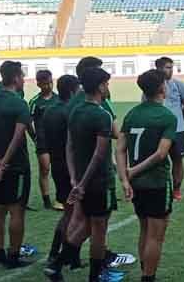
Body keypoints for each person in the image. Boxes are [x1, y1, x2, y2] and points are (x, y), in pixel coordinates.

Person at [46, 67, 119, 282]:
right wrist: (83, 183)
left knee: (86, 225)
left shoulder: (75, 111)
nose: (107, 87)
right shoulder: (102, 115)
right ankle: (95, 276)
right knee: (99, 230)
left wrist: (74, 179)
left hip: (80, 179)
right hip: (99, 182)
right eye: (106, 83)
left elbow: (69, 147)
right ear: (100, 86)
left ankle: (57, 265)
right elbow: (99, 154)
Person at [117, 69, 177, 282]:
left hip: (137, 184)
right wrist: (133, 171)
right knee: (155, 236)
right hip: (157, 182)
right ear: (161, 88)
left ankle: (145, 271)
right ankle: (148, 277)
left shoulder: (132, 114)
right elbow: (161, 154)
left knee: (144, 228)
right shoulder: (167, 116)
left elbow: (120, 148)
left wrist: (125, 178)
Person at [0, 61, 32, 268]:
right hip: (15, 166)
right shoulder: (19, 103)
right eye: (22, 76)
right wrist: (4, 162)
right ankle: (13, 256)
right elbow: (18, 136)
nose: (23, 79)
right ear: (15, 78)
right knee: (17, 210)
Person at [42, 75, 80, 266]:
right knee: (76, 214)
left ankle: (56, 253)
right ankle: (65, 256)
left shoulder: (50, 110)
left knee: (68, 212)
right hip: (71, 167)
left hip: (57, 164)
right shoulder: (71, 111)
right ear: (73, 91)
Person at [152, 57, 184, 201]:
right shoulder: (151, 87)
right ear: (159, 68)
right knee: (156, 159)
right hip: (158, 130)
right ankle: (158, 187)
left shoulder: (178, 85)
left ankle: (176, 189)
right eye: (167, 67)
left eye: (171, 67)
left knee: (178, 159)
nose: (171, 70)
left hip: (177, 130)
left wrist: (180, 120)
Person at [28, 69, 59, 210]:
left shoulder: (58, 99)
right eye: (46, 83)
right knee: (45, 169)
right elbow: (28, 122)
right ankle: (46, 199)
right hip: (42, 140)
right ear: (39, 84)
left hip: (58, 140)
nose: (49, 86)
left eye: (51, 82)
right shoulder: (35, 102)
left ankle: (61, 197)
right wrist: (35, 137)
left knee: (59, 169)